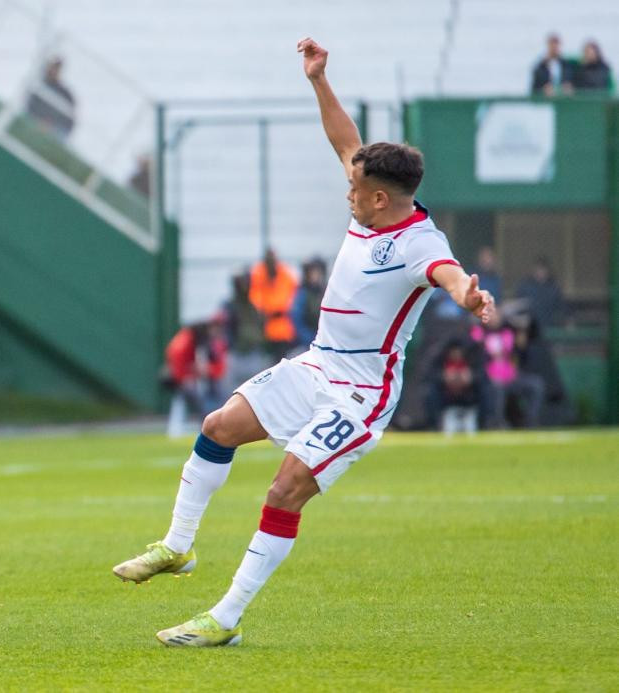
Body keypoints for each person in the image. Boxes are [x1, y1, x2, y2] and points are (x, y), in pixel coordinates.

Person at [112, 38, 496, 647]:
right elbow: (346, 140)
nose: (346, 191)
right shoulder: (372, 204)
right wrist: (319, 79)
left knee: (285, 489)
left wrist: (469, 298)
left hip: (361, 393)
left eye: (354, 188)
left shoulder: (422, 242)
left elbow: (448, 274)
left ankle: (225, 619)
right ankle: (178, 546)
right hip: (316, 364)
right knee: (217, 425)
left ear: (377, 198)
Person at [163, 316, 228, 435]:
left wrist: (208, 370)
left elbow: (219, 367)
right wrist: (187, 376)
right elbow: (178, 361)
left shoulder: (213, 343)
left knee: (218, 397)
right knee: (195, 397)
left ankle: (216, 424)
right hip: (188, 378)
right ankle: (206, 425)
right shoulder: (185, 341)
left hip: (208, 379)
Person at [248, 248, 299, 361]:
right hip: (267, 325)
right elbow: (256, 296)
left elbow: (292, 293)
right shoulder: (259, 273)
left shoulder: (284, 272)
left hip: (283, 327)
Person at [25, 56, 76, 142]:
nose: (53, 70)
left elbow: (69, 121)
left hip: (56, 130)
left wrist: (51, 125)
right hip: (36, 123)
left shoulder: (66, 94)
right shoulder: (39, 86)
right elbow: (30, 107)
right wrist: (41, 122)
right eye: (51, 67)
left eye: (56, 68)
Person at [514, 257, 565, 330]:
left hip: (549, 328)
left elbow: (561, 308)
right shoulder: (524, 286)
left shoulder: (554, 287)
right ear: (533, 270)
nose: (540, 272)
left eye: (543, 269)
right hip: (530, 330)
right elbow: (518, 307)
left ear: (548, 271)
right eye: (538, 269)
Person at [290, 257, 327, 351]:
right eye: (312, 272)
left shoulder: (325, 291)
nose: (315, 275)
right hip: (308, 344)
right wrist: (310, 339)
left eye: (317, 272)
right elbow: (297, 319)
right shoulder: (302, 294)